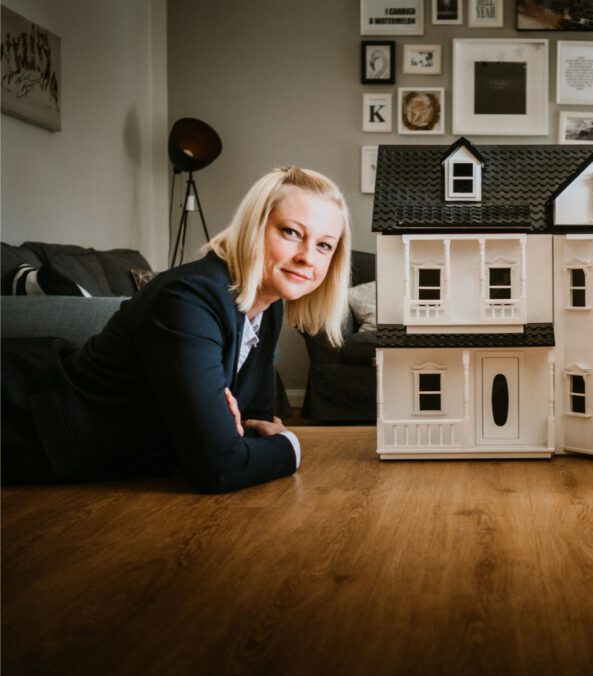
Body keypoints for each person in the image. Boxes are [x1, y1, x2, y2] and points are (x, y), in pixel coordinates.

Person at [2, 166, 351, 493]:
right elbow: (219, 466)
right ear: (253, 227)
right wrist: (289, 448)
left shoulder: (268, 304)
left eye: (324, 245)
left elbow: (255, 417)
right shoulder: (187, 299)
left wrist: (230, 433)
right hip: (27, 426)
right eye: (291, 232)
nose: (308, 256)